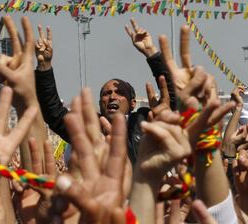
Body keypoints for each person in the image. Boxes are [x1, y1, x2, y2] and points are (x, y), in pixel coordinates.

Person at [34, 19, 175, 164]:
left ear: (133, 103)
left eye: (120, 92)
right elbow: (53, 113)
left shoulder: (144, 120)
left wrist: (151, 53)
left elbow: (173, 99)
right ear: (100, 103)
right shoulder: (90, 128)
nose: (113, 96)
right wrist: (44, 65)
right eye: (106, 94)